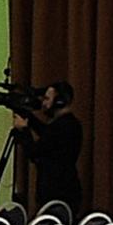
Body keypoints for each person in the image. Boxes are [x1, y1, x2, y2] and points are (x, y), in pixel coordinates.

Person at [30, 81, 87, 212]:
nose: (43, 103)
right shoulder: (70, 124)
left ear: (59, 102)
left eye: (47, 99)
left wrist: (24, 131)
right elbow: (47, 134)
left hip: (55, 193)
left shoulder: (63, 126)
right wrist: (29, 119)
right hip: (66, 190)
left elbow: (35, 151)